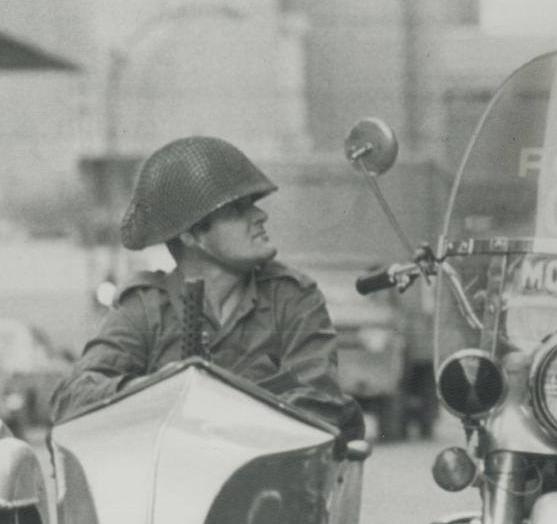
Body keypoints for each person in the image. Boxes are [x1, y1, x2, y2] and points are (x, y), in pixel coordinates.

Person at [51, 135, 365, 441]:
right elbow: (73, 399)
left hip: (270, 485)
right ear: (192, 235)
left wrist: (208, 408)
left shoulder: (291, 298)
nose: (260, 215)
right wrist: (163, 389)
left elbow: (320, 406)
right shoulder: (146, 308)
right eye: (237, 209)